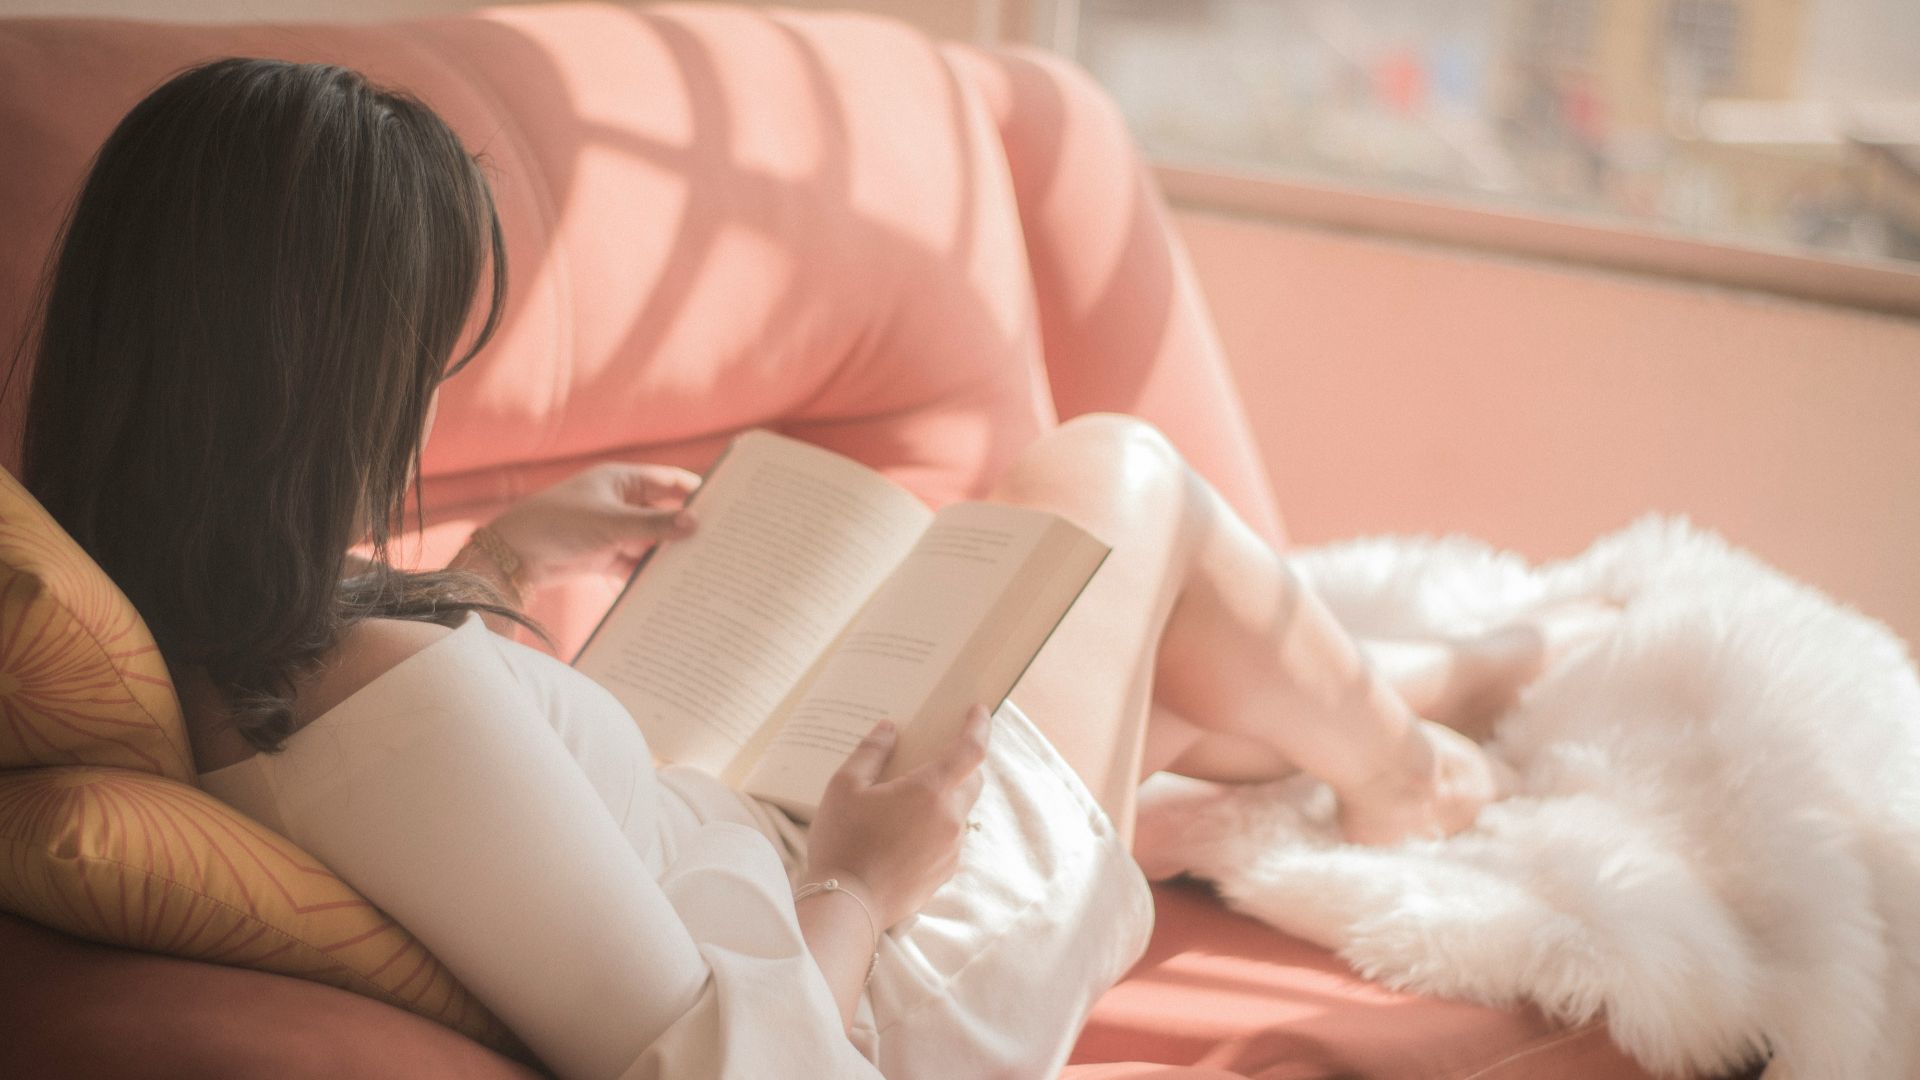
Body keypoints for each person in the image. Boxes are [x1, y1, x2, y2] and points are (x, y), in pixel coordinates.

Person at [15, 58, 1617, 1079]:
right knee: (1109, 477)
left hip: (763, 866)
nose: (429, 397)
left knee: (1107, 621)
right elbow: (719, 1066)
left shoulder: (200, 607)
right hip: (881, 994)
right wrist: (865, 875)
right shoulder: (370, 709)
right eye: (419, 358)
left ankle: (1410, 688)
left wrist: (504, 553)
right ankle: (1410, 773)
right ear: (317, 380)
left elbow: (460, 810)